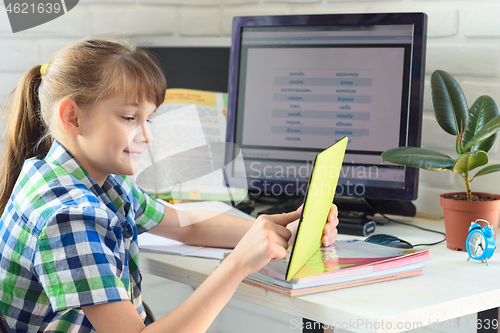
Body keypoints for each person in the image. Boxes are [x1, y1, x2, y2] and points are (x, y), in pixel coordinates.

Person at [0, 38, 339, 333]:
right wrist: (238, 264)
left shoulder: (87, 178)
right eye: (130, 118)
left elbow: (186, 227)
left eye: (149, 119)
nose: (146, 135)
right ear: (72, 117)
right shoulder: (69, 217)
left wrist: (273, 230)